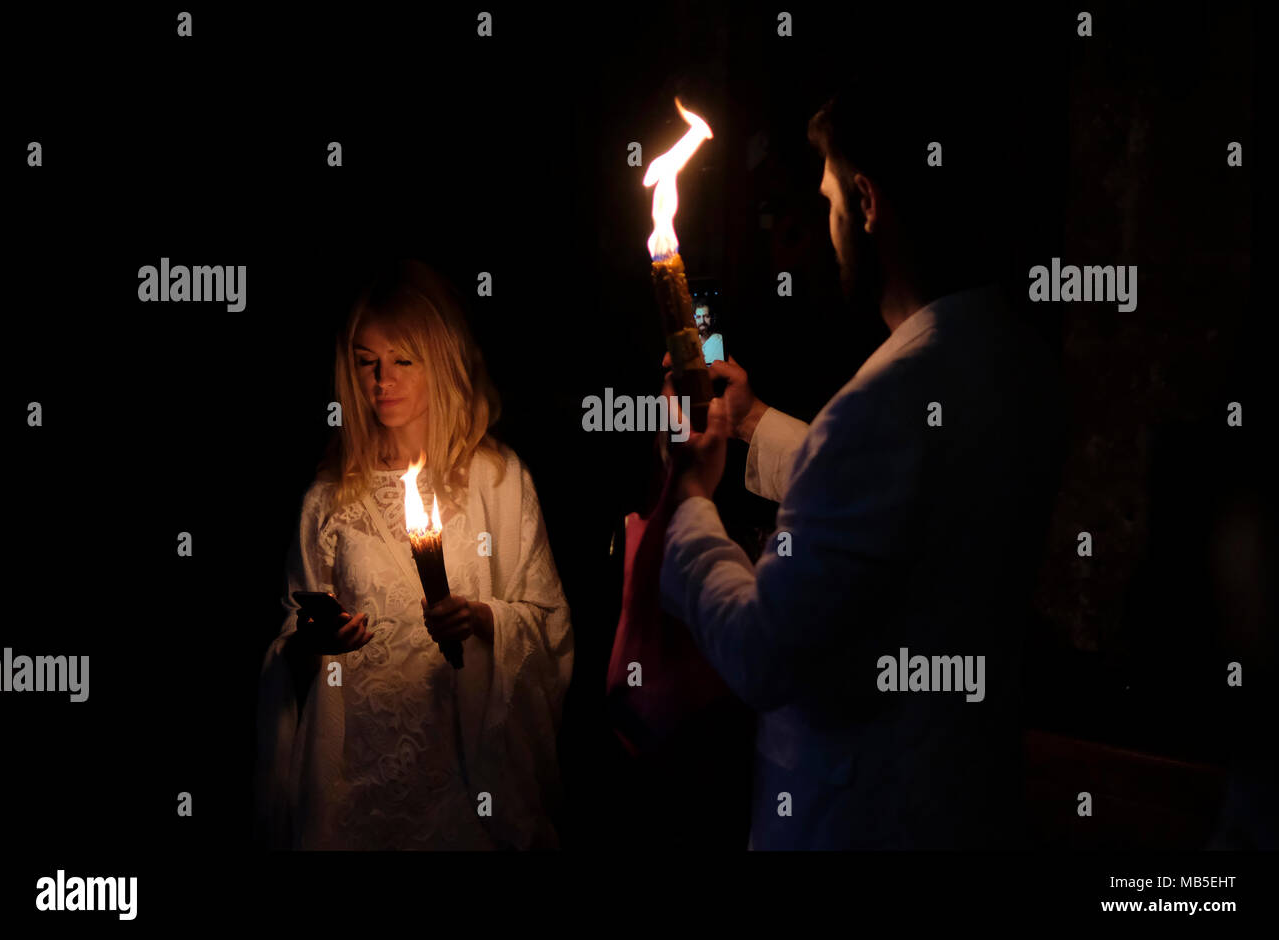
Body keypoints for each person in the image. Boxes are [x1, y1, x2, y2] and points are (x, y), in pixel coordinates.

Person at [658, 78, 1065, 848]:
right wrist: (748, 421)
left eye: (834, 203)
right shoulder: (1012, 354)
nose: (831, 227)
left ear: (870, 202)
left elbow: (764, 652)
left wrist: (689, 501)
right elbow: (896, 503)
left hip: (858, 814)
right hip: (962, 792)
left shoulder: (886, 401)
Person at [256, 260, 573, 850]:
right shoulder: (329, 499)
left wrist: (483, 621)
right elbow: (288, 644)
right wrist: (310, 642)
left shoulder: (497, 482)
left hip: (466, 788)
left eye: (403, 360)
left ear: (442, 363)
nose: (382, 381)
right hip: (355, 790)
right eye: (366, 361)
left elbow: (548, 628)